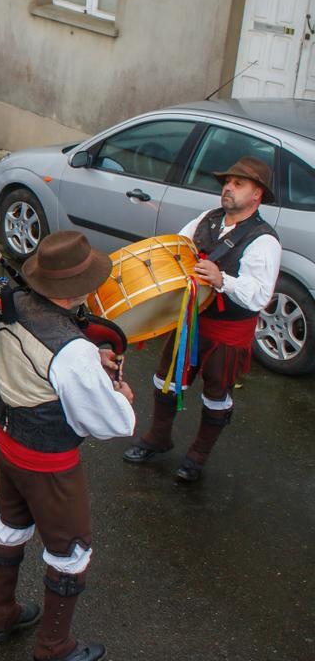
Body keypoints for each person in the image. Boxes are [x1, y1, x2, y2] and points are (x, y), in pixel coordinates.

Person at [0, 231, 134, 661]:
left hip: (9, 444)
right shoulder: (72, 352)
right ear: (81, 288)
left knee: (11, 526)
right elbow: (109, 422)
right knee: (72, 549)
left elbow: (45, 363)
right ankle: (53, 646)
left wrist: (88, 358)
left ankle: (0, 614)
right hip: (48, 462)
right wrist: (119, 393)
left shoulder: (14, 303)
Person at [122, 157, 281, 482]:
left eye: (238, 184)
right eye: (227, 181)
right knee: (166, 380)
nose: (228, 188)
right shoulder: (206, 220)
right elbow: (176, 252)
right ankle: (158, 438)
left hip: (228, 332)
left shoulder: (263, 240)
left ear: (257, 194)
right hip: (189, 320)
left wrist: (222, 280)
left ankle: (197, 456)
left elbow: (260, 296)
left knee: (217, 394)